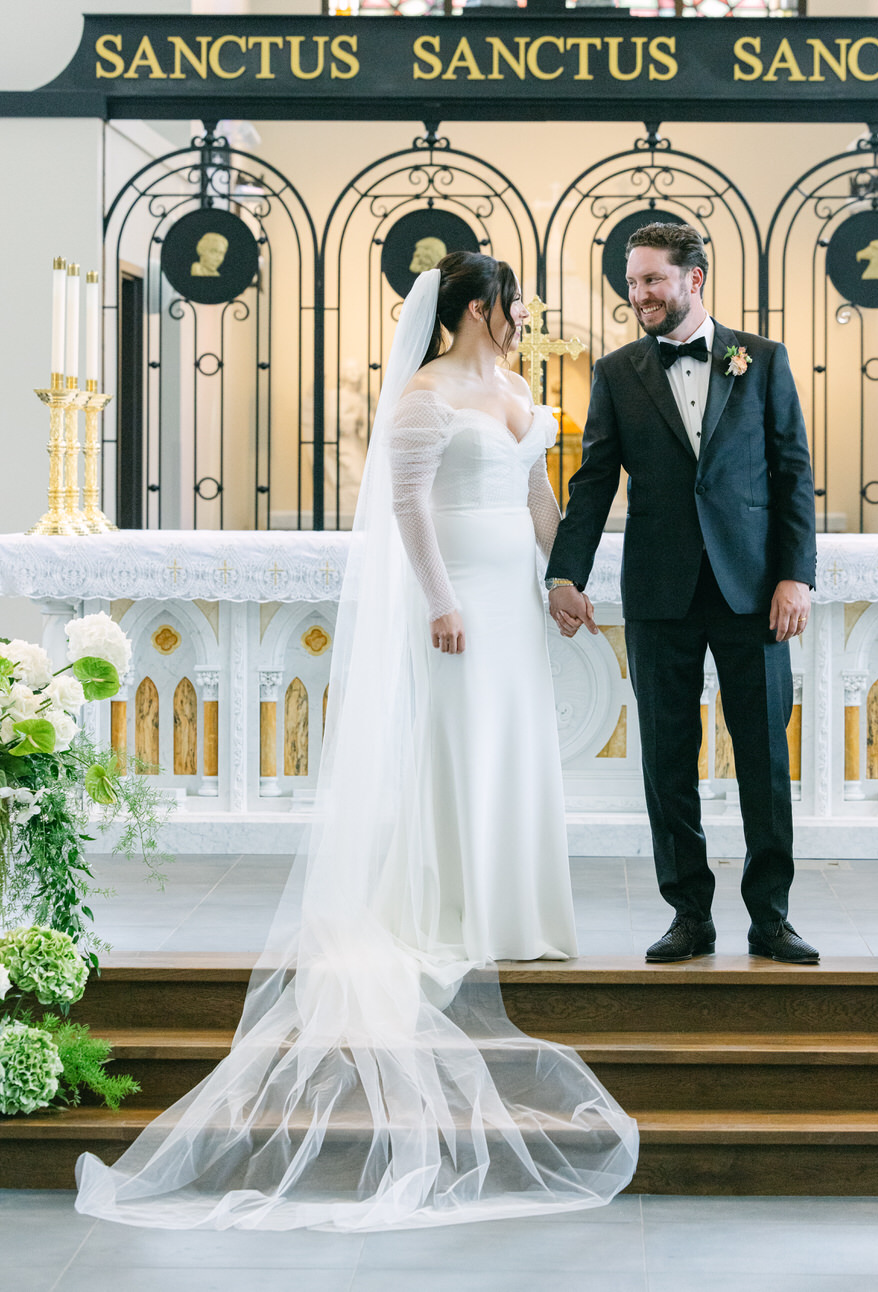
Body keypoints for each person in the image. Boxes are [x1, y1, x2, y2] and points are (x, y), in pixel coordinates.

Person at [75, 252, 637, 1231]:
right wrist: (442, 600)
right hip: (458, 590)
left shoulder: (513, 388)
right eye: (510, 307)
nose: (521, 321)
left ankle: (518, 909)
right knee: (457, 750)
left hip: (513, 591)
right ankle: (451, 906)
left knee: (510, 748)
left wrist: (562, 575)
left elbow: (540, 496)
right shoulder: (423, 393)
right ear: (474, 309)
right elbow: (406, 505)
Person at [545, 221, 819, 966]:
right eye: (631, 282)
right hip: (658, 591)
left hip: (752, 590)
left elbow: (792, 472)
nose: (638, 294)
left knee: (762, 757)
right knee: (667, 760)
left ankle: (770, 918)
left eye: (651, 280)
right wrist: (563, 572)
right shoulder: (616, 371)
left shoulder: (760, 360)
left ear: (693, 279)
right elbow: (594, 479)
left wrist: (795, 574)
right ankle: (687, 916)